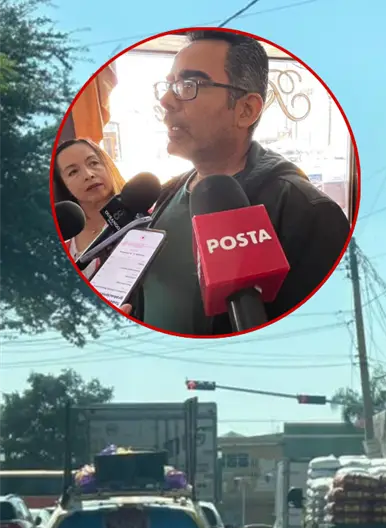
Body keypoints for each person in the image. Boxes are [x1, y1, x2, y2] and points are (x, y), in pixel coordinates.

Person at [121, 29, 350, 332]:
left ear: (246, 110)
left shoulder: (308, 214)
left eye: (188, 85)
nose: (166, 100)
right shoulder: (168, 194)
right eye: (169, 85)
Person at [52, 138, 127, 279]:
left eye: (93, 163)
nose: (88, 175)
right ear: (64, 185)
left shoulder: (142, 218)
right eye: (73, 172)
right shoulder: (62, 244)